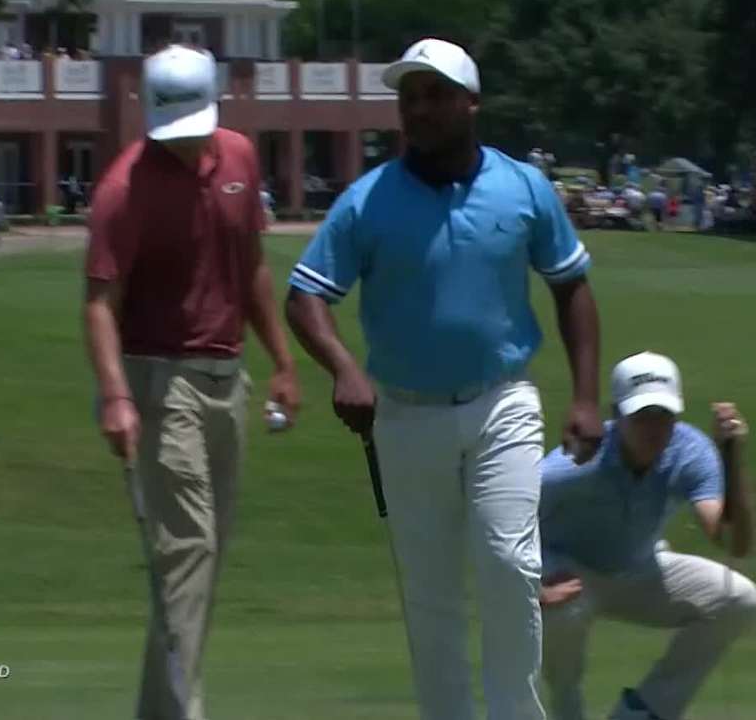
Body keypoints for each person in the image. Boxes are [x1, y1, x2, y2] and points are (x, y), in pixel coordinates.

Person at [285, 37, 605, 720]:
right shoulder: (367, 201)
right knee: (430, 596)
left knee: (511, 567)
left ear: (471, 103)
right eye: (409, 97)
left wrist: (585, 396)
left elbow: (571, 285)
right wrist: (344, 368)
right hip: (404, 413)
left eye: (435, 95)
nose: (419, 109)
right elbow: (305, 296)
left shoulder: (522, 186)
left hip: (502, 402)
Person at [82, 44, 300, 720]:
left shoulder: (238, 156)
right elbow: (99, 304)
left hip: (226, 378)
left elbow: (252, 263)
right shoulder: (123, 189)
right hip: (158, 381)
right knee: (187, 552)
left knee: (201, 563)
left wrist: (283, 362)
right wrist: (116, 394)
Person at [538, 352, 756, 720]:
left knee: (739, 599)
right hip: (569, 572)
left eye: (664, 416)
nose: (654, 429)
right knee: (561, 609)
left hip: (641, 568)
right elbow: (504, 517)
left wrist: (733, 457)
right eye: (641, 417)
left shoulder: (690, 452)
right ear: (616, 414)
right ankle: (566, 711)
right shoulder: (573, 464)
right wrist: (532, 585)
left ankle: (642, 714)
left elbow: (733, 541)